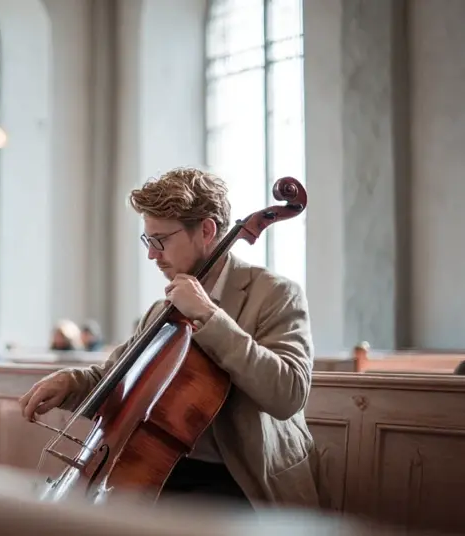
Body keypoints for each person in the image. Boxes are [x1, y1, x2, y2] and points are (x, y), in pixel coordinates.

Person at [18, 167, 321, 510]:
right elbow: (115, 376)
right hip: (166, 471)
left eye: (161, 240)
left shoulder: (276, 294)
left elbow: (288, 394)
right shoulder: (163, 310)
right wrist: (70, 383)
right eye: (148, 240)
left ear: (206, 231)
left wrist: (209, 316)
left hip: (241, 482)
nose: (152, 254)